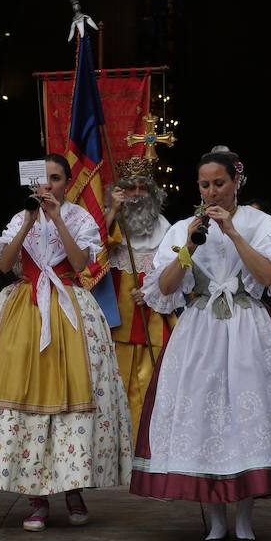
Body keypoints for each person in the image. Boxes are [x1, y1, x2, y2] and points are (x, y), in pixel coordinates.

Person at [0, 154, 132, 532]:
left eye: (56, 179)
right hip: (23, 308)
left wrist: (57, 218)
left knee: (76, 402)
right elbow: (6, 263)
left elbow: (80, 266)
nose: (49, 186)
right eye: (43, 180)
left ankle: (74, 487)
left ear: (67, 183)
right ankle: (36, 497)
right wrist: (28, 222)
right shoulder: (18, 218)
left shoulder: (79, 218)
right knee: (26, 402)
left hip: (69, 307)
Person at [131, 147, 271, 541]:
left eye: (219, 184)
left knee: (247, 418)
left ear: (236, 183)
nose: (212, 192)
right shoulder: (182, 228)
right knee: (204, 417)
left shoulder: (260, 223)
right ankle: (214, 524)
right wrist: (190, 244)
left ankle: (244, 522)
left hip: (248, 326)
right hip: (200, 329)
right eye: (205, 184)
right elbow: (166, 288)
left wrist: (233, 234)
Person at [103, 165, 177, 438]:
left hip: (154, 318)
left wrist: (152, 290)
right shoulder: (109, 220)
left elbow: (178, 268)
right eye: (129, 188)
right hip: (116, 318)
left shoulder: (166, 228)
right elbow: (92, 256)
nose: (136, 194)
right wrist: (112, 210)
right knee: (115, 383)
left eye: (141, 188)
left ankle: (148, 444)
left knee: (151, 383)